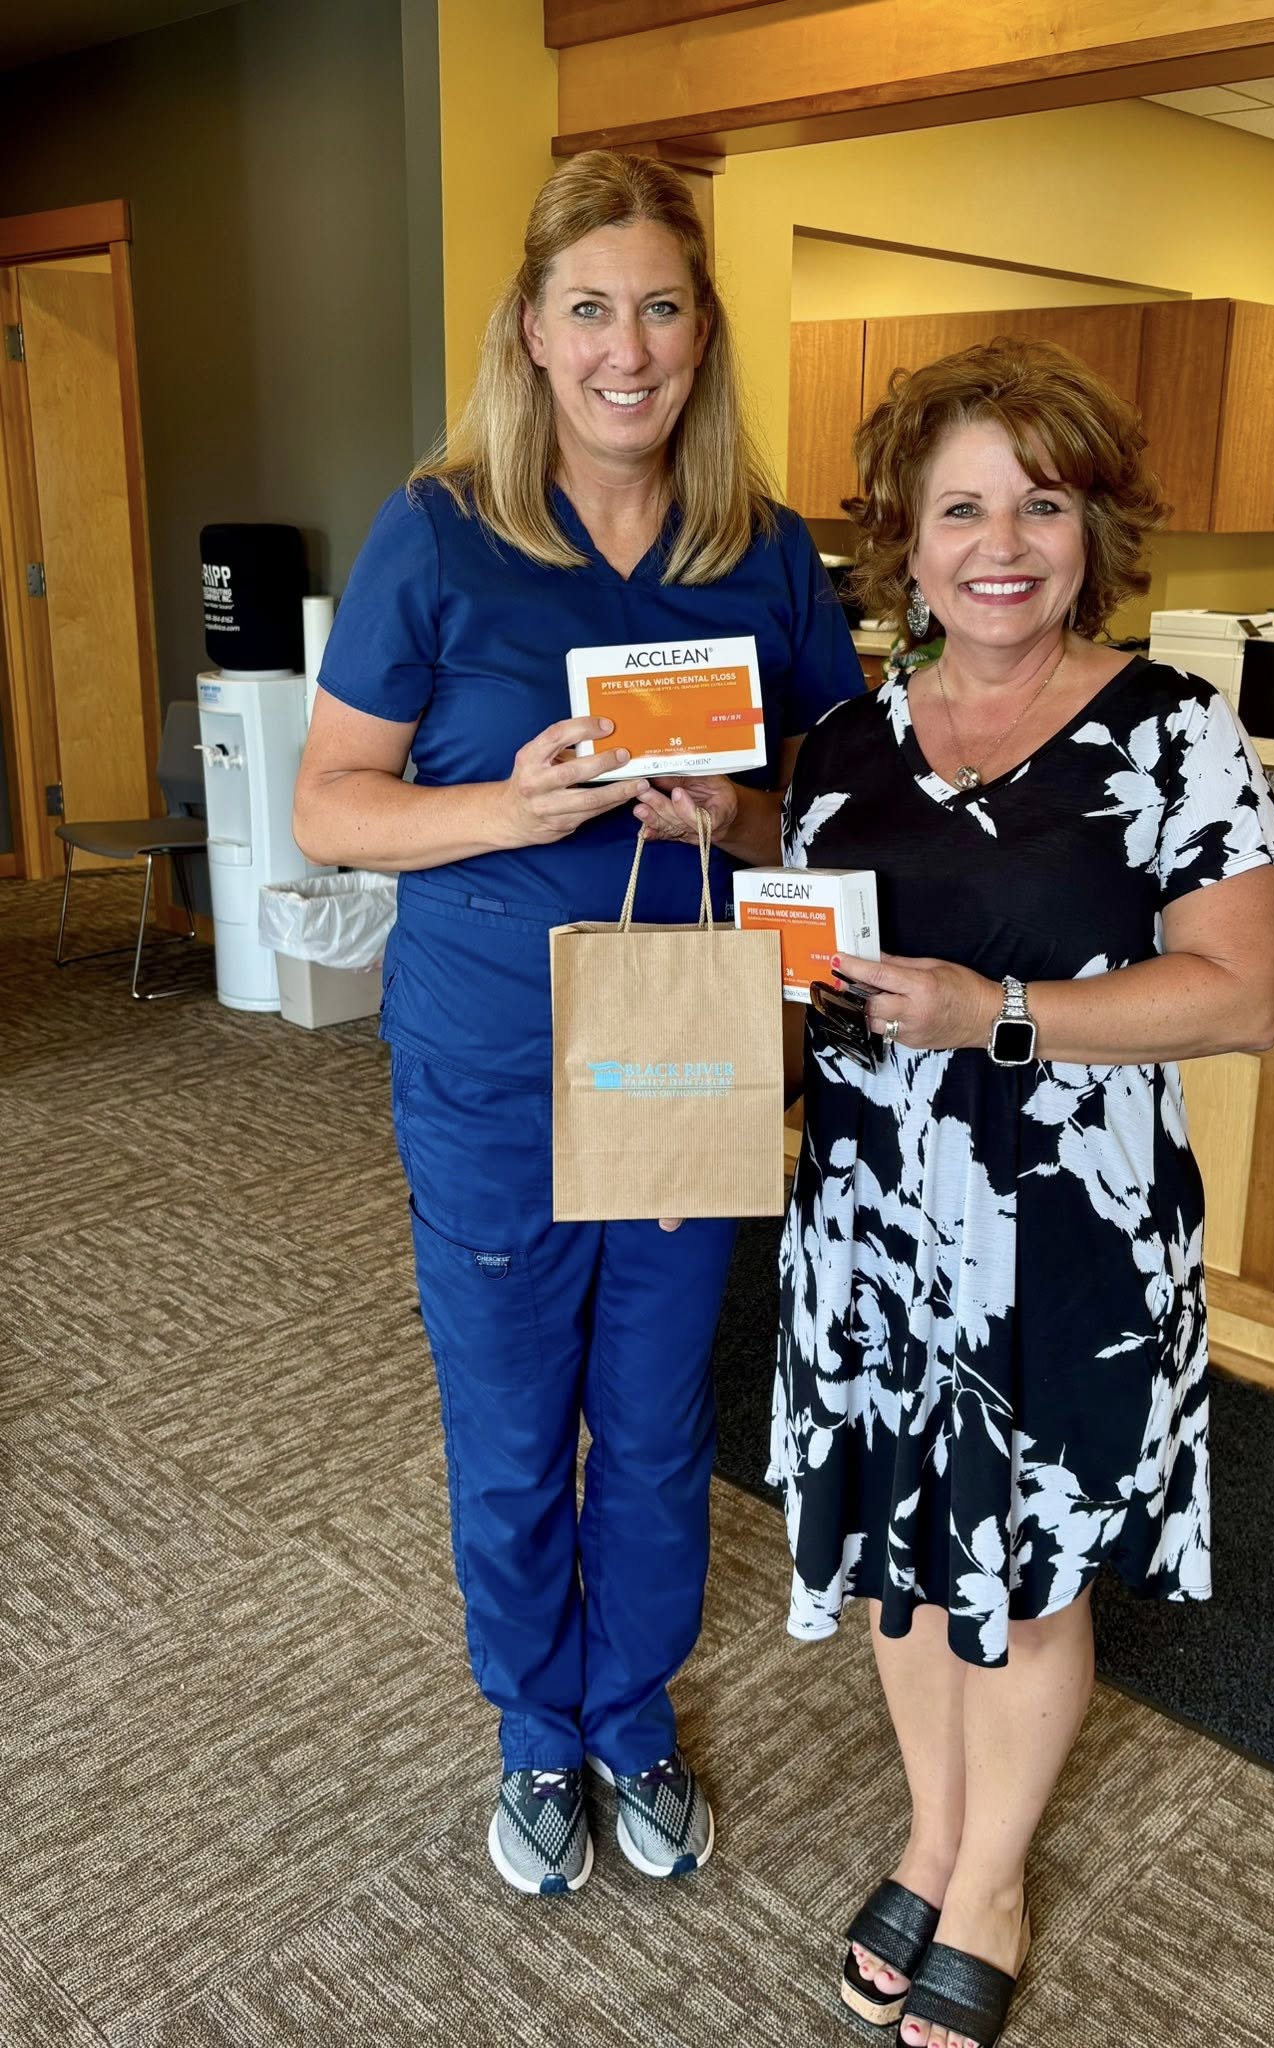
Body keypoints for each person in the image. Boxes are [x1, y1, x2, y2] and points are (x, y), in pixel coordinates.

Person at [293, 150, 862, 1900]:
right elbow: (330, 805)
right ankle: (536, 1726)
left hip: (685, 1035)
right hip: (490, 1057)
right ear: (533, 332)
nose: (631, 348)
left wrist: (736, 812)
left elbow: (838, 814)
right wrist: (510, 807)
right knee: (516, 1421)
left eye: (662, 308)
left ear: (703, 332)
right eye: (592, 308)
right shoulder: (440, 530)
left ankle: (632, 1708)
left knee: (660, 1417)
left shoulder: (763, 551)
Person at [771, 339, 1274, 2048]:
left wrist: (995, 1013)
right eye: (961, 509)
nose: (1000, 545)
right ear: (904, 541)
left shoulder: (1174, 731)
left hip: (1067, 1239)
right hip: (868, 1225)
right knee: (903, 1556)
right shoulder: (841, 743)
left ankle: (991, 1878)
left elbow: (1240, 995)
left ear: (1093, 531)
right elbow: (816, 963)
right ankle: (932, 1835)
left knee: (1032, 1570)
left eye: (1042, 505)